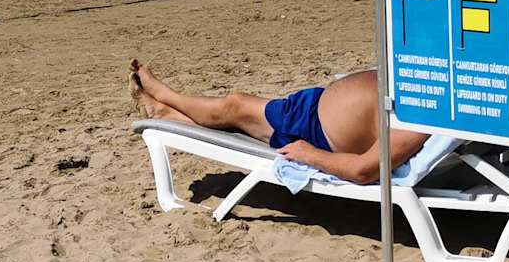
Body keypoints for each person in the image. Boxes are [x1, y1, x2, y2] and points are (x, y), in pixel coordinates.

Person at [130, 62, 426, 186]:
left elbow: (365, 170)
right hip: (313, 111)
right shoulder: (434, 97)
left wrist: (310, 154)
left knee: (235, 106)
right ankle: (166, 112)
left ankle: (165, 97)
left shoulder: (422, 118)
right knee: (238, 117)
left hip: (311, 128)